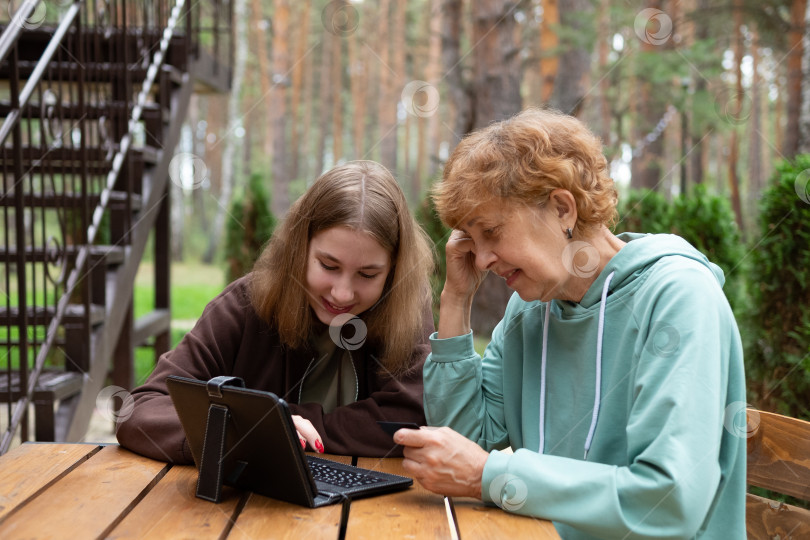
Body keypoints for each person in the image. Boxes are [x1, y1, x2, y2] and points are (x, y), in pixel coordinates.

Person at [394, 109, 746, 539]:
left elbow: (668, 500)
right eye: (473, 240)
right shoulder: (530, 310)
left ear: (562, 208)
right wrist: (455, 300)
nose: (482, 259)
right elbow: (465, 443)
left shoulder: (677, 297)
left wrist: (491, 474)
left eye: (492, 232)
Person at [117, 160, 434, 463]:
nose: (342, 293)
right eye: (328, 265)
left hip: (376, 510)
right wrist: (243, 432)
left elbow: (411, 418)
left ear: (394, 271)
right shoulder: (245, 303)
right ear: (300, 249)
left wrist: (287, 425)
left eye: (367, 275)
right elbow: (140, 410)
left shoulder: (404, 306)